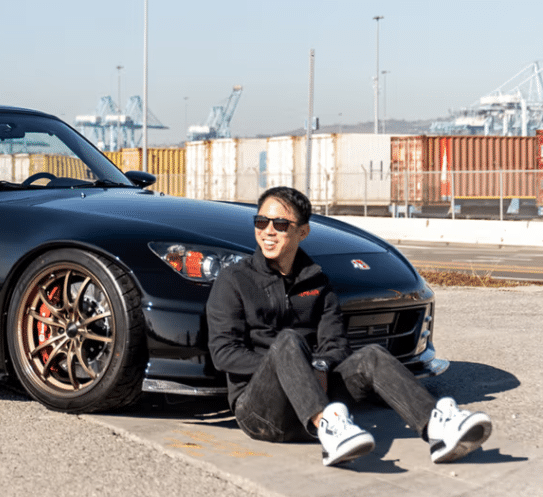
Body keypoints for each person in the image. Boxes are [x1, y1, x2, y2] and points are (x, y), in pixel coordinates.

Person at [206, 186, 492, 467]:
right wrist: (292, 367)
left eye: (280, 224)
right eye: (261, 222)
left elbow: (336, 344)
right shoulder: (234, 279)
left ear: (302, 232)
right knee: (288, 341)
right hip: (261, 412)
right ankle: (330, 429)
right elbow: (223, 353)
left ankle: (437, 427)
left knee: (371, 355)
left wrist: (319, 366)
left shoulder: (317, 281)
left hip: (317, 394)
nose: (268, 231)